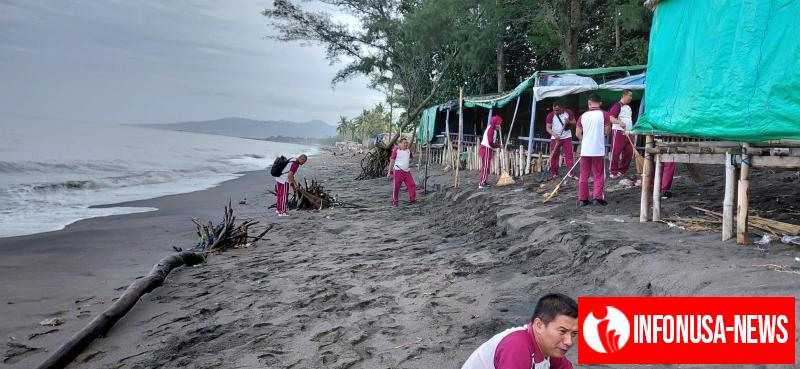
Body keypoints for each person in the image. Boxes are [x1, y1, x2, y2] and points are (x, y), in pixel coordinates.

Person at [460, 293, 579, 369]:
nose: (569, 341)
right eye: (562, 331)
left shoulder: (550, 348)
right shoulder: (516, 347)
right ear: (539, 325)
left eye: (574, 333)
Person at [575, 94, 612, 206]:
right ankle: (597, 198)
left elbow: (577, 133)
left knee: (584, 174)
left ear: (589, 102)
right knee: (598, 174)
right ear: (600, 103)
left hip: (585, 149)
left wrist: (585, 140)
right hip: (598, 149)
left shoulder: (582, 116)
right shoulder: (604, 114)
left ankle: (582, 199)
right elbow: (607, 131)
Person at [545, 101, 577, 181]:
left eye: (557, 110)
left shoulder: (568, 112)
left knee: (569, 155)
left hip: (567, 137)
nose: (555, 111)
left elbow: (574, 122)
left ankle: (570, 173)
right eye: (554, 109)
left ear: (562, 109)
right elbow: (548, 128)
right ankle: (554, 173)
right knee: (554, 156)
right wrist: (555, 135)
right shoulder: (550, 115)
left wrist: (568, 122)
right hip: (555, 138)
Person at [608, 90, 634, 179]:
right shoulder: (617, 106)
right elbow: (610, 118)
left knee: (629, 152)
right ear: (624, 95)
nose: (631, 97)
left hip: (629, 132)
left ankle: (622, 170)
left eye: (631, 96)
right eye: (629, 95)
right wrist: (619, 122)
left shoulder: (628, 107)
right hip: (618, 131)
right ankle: (613, 171)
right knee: (616, 152)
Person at [386, 138, 416, 206]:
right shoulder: (396, 151)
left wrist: (410, 160)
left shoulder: (408, 151)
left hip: (407, 171)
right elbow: (392, 161)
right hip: (398, 170)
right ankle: (395, 201)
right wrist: (389, 172)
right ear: (400, 143)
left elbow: (411, 157)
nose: (406, 144)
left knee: (412, 184)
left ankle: (412, 200)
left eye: (406, 143)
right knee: (396, 187)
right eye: (404, 143)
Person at [479, 115, 503, 189]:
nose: (499, 125)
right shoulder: (491, 130)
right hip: (486, 149)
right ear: (494, 123)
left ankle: (484, 181)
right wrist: (499, 146)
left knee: (486, 167)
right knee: (485, 167)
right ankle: (481, 183)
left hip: (487, 149)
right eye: (498, 124)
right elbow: (490, 143)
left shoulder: (493, 129)